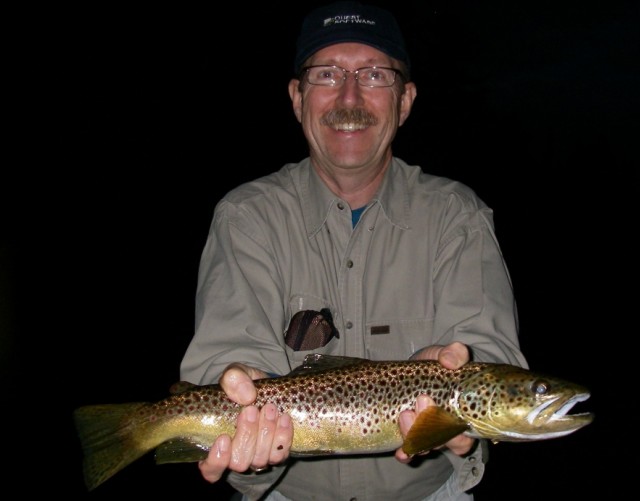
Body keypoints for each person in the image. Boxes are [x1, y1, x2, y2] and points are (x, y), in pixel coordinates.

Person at [180, 2, 528, 500]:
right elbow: (229, 358)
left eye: (374, 75)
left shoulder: (458, 215)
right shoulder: (245, 217)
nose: (349, 96)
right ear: (297, 98)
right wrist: (240, 391)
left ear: (405, 101)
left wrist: (459, 379)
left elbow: (490, 355)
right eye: (327, 75)